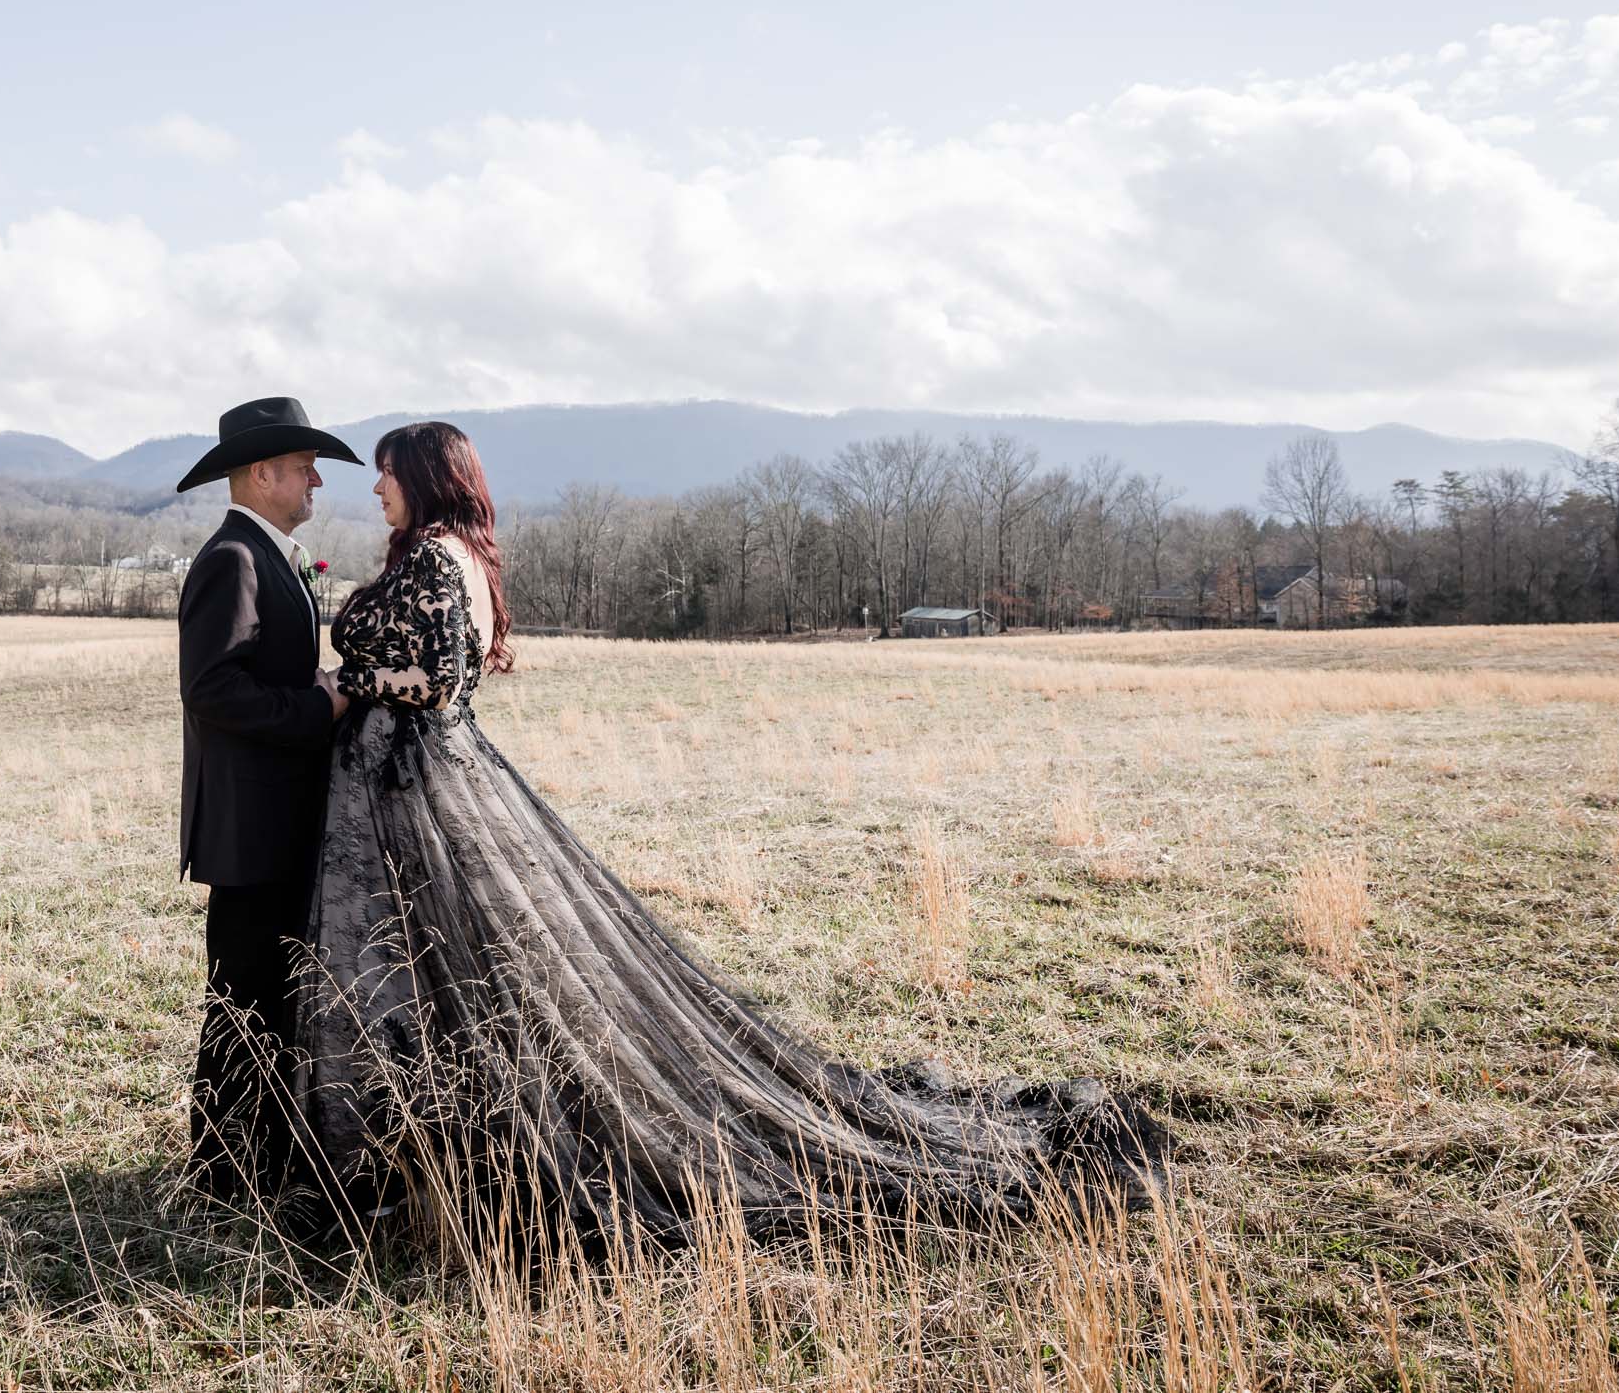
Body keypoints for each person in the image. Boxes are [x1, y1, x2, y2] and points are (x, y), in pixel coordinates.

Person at [291, 420, 1172, 1248]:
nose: (376, 487)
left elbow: (439, 681)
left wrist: (351, 681)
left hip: (420, 784)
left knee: (463, 961)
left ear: (427, 478)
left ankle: (423, 1154)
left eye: (388, 472)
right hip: (421, 781)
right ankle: (418, 1148)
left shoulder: (436, 557)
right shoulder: (458, 555)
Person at [172, 396, 360, 1202]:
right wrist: (319, 704)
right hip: (251, 831)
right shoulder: (234, 559)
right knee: (243, 1002)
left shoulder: (269, 554)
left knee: (273, 999)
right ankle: (222, 1173)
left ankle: (266, 1161)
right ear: (262, 473)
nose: (316, 480)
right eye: (304, 467)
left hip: (277, 824)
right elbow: (213, 689)